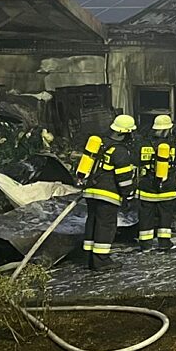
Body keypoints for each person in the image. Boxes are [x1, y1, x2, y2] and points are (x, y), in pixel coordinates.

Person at [73, 114, 137, 271]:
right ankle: (101, 261)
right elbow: (124, 178)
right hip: (107, 194)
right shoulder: (120, 151)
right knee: (106, 226)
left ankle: (89, 257)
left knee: (93, 222)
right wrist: (128, 195)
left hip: (90, 191)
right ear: (124, 132)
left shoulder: (100, 143)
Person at [137, 114, 176, 252]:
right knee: (166, 216)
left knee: (146, 216)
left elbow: (137, 161)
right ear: (168, 129)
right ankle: (164, 243)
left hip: (147, 187)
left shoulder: (144, 144)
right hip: (167, 187)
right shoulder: (174, 144)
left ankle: (145, 245)